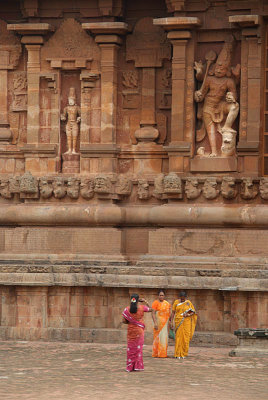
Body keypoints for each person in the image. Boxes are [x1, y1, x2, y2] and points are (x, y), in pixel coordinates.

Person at [122, 293, 152, 372]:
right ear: (138, 300)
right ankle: (137, 366)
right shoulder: (142, 307)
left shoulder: (127, 309)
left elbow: (123, 321)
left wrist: (132, 322)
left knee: (131, 348)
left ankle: (130, 366)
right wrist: (145, 301)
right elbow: (151, 309)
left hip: (131, 330)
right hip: (139, 331)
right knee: (138, 349)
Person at [170, 291, 197, 359]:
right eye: (181, 298)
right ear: (179, 297)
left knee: (185, 338)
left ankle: (184, 353)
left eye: (183, 298)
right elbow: (173, 312)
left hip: (186, 322)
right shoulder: (176, 302)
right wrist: (171, 322)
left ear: (185, 297)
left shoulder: (188, 303)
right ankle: (177, 353)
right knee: (178, 338)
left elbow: (193, 312)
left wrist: (187, 314)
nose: (182, 299)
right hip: (178, 321)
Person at [61, 87, 81, 155]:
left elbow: (81, 115)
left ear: (74, 100)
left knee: (74, 137)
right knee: (69, 137)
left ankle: (74, 150)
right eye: (69, 100)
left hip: (75, 123)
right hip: (68, 123)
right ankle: (69, 149)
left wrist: (79, 118)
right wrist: (62, 117)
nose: (70, 101)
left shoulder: (77, 108)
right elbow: (64, 116)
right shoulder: (66, 108)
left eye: (72, 100)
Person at [151, 289, 171, 358]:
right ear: (158, 296)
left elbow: (169, 314)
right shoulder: (155, 303)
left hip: (165, 324)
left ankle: (162, 354)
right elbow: (153, 313)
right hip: (158, 324)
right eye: (160, 295)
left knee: (164, 338)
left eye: (162, 295)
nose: (161, 296)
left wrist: (170, 323)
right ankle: (156, 353)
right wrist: (155, 323)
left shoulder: (167, 304)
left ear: (164, 296)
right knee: (157, 338)